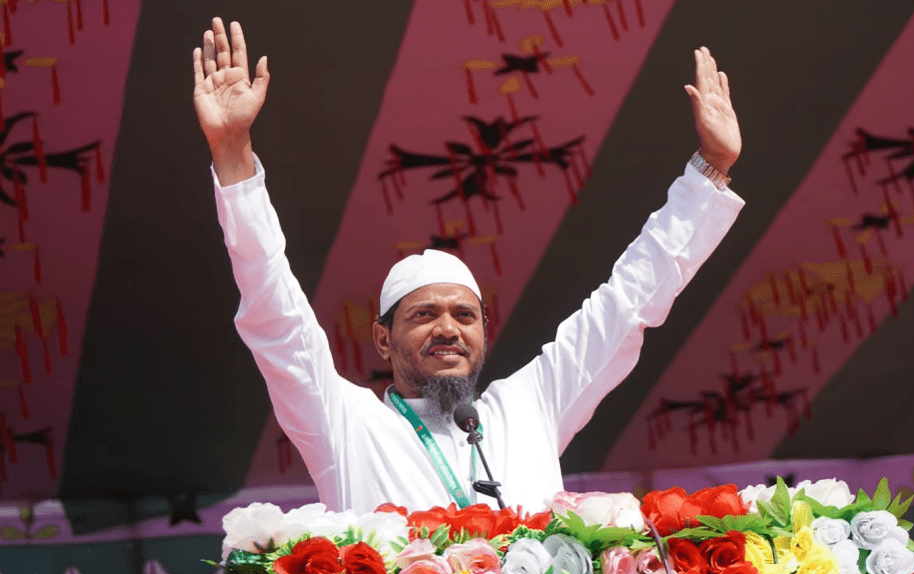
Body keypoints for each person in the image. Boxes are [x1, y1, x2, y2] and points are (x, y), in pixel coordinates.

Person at [193, 18, 743, 514]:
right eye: (423, 314)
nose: (448, 329)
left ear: (484, 329)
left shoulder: (530, 405)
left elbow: (627, 303)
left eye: (464, 315)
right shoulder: (344, 423)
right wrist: (233, 151)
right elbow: (278, 319)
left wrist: (711, 170)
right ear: (383, 339)